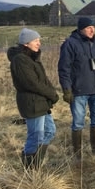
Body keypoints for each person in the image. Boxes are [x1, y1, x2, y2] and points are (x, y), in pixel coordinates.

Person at [58, 17, 95, 160]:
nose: (92, 30)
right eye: (88, 27)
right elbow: (64, 69)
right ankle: (77, 153)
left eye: (93, 27)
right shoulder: (70, 44)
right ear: (81, 29)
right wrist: (67, 89)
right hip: (79, 90)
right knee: (78, 121)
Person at [8, 28, 59, 169]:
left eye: (39, 40)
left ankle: (37, 162)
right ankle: (30, 169)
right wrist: (51, 94)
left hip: (41, 102)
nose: (39, 43)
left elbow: (43, 80)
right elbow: (32, 83)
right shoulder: (20, 60)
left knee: (49, 131)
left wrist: (51, 93)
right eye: (35, 40)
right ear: (26, 43)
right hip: (32, 103)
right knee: (35, 136)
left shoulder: (33, 58)